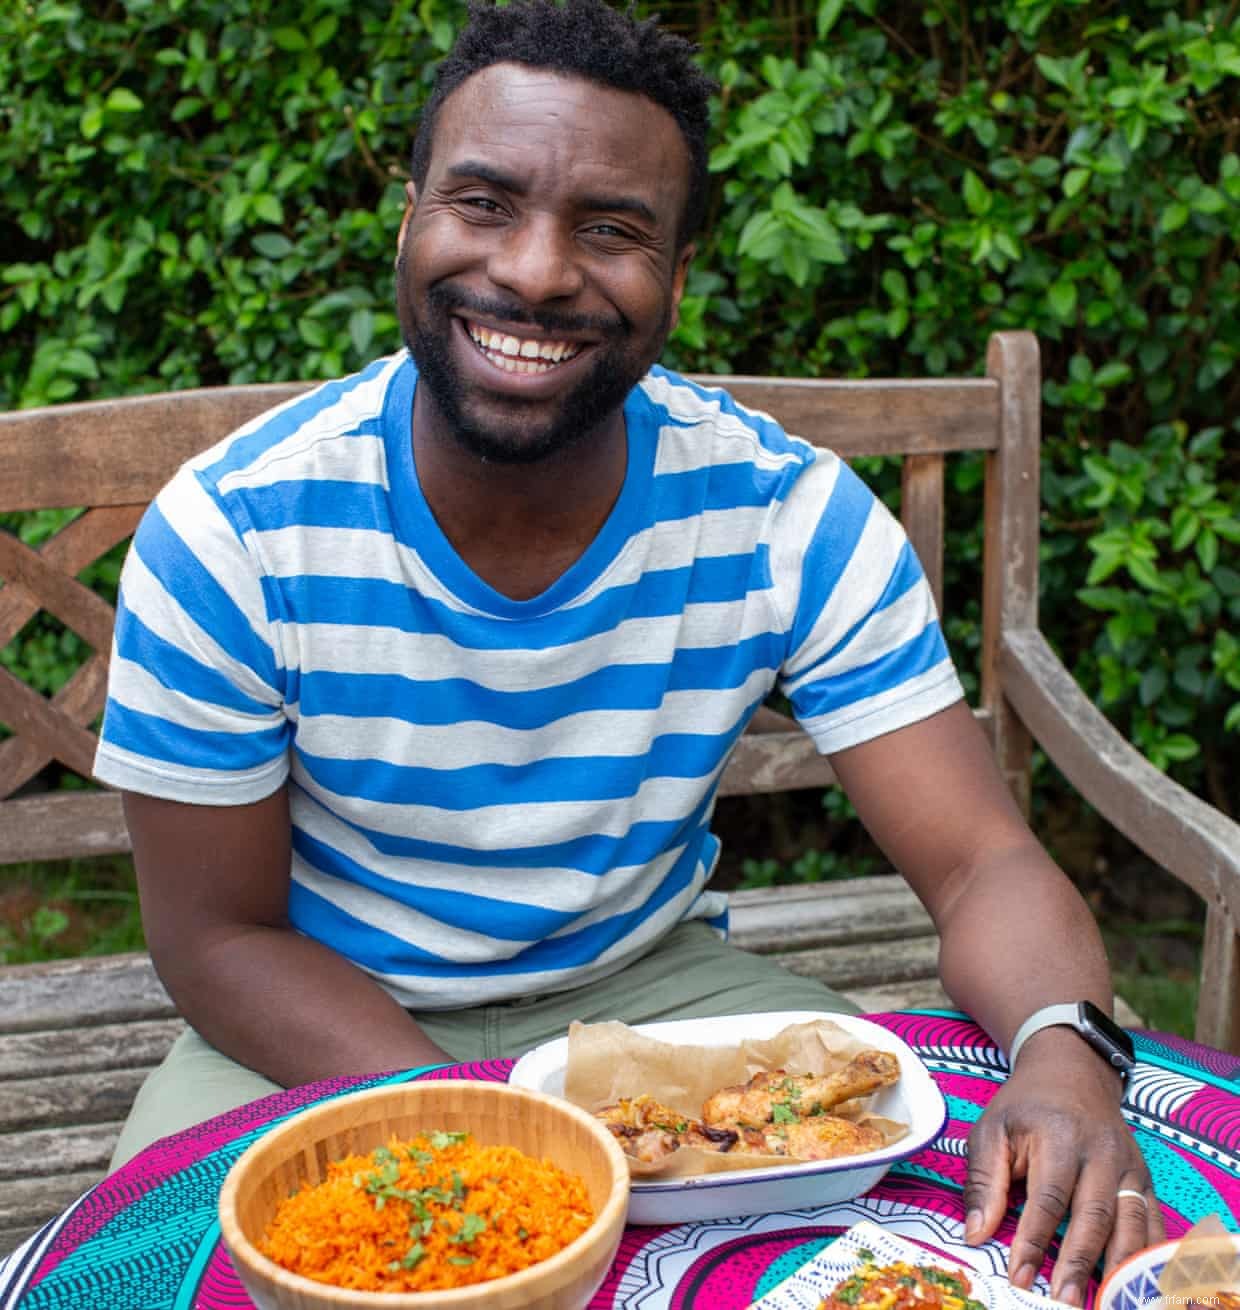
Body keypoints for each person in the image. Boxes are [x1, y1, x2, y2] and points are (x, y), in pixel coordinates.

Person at [93, 0, 1161, 1301]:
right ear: (410, 213)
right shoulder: (236, 535)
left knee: (970, 1245)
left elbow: (985, 857)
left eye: (611, 229)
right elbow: (215, 939)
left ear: (680, 270)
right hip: (306, 1019)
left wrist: (1064, 1049)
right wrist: (490, 1127)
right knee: (149, 1277)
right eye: (483, 202)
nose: (538, 272)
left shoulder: (786, 521)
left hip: (649, 996)